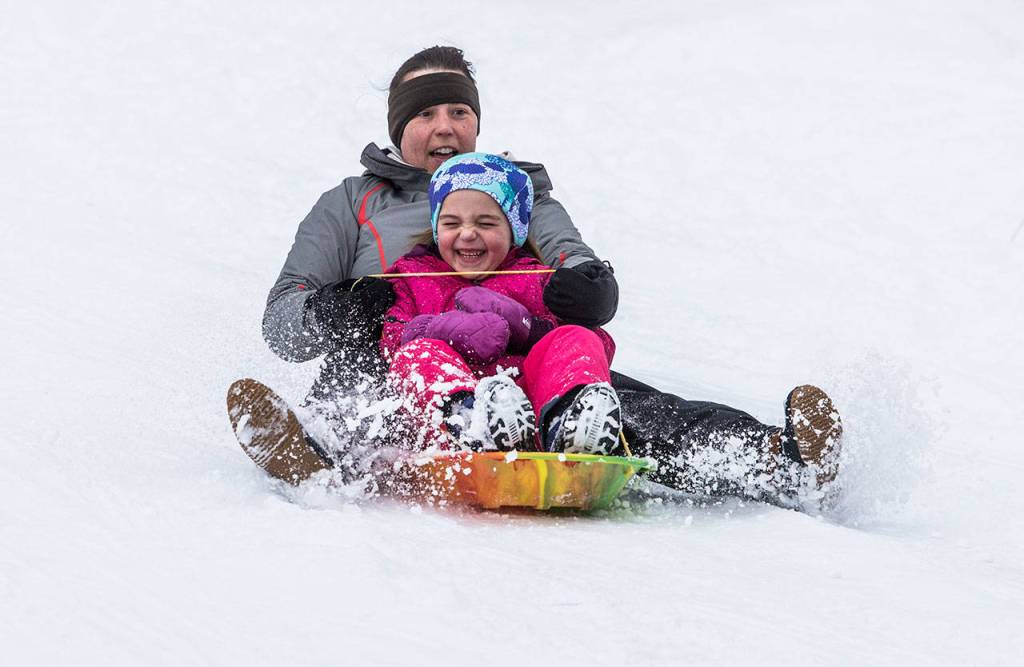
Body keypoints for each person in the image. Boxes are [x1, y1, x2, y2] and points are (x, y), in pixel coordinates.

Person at [251, 45, 842, 506]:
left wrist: (586, 285)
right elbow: (283, 317)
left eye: (459, 111)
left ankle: (775, 463)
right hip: (398, 354)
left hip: (513, 359)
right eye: (426, 113)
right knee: (367, 404)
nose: (445, 127)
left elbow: (569, 256)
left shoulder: (516, 193)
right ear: (399, 126)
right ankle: (314, 454)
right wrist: (330, 313)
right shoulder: (354, 202)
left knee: (624, 405)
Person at [382, 152, 621, 455]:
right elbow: (391, 344)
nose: (467, 233)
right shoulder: (413, 275)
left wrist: (530, 329)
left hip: (529, 410)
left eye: (486, 223)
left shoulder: (535, 278)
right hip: (446, 421)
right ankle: (472, 422)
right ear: (435, 227)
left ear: (514, 230)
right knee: (416, 354)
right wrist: (445, 329)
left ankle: (568, 425)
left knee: (576, 336)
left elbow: (597, 345)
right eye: (451, 222)